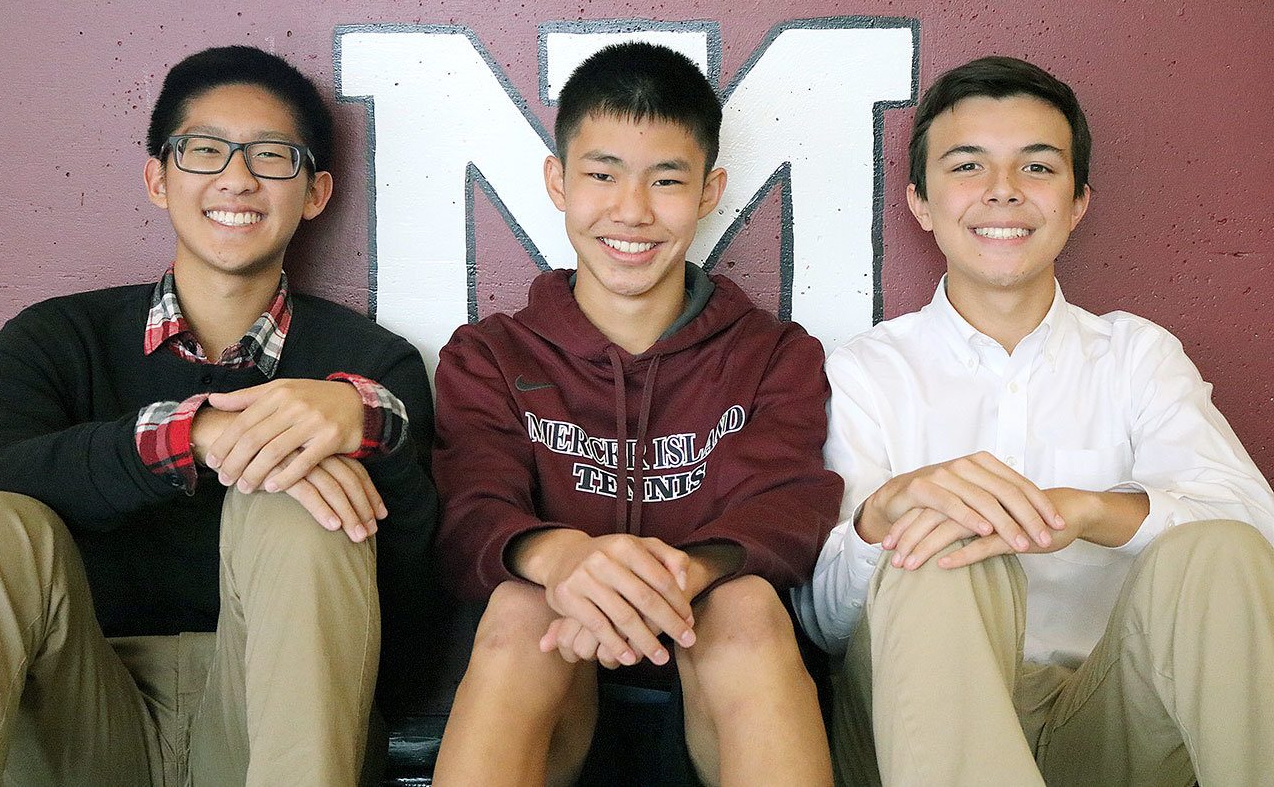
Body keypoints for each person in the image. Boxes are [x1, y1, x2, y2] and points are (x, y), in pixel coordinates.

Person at [795, 55, 1274, 786]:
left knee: (1218, 550)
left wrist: (1091, 511)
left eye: (1038, 168)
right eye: (968, 166)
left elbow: (1254, 536)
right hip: (919, 727)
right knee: (934, 540)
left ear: (1078, 200)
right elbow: (824, 622)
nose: (1003, 192)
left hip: (1109, 724)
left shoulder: (1136, 354)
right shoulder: (864, 371)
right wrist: (886, 511)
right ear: (920, 202)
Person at [0, 45, 438, 786]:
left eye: (271, 156)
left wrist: (364, 422)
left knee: (299, 501)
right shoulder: (56, 338)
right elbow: (6, 469)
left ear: (316, 192)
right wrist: (192, 434)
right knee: (2, 521)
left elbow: (422, 592)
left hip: (280, 723)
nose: (237, 177)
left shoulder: (367, 362)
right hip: (74, 717)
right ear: (157, 178)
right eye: (205, 150)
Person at [430, 41, 841, 787]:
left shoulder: (774, 353)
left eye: (667, 180)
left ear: (711, 190)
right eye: (602, 174)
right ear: (558, 181)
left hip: (718, 694)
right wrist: (566, 562)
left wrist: (669, 578)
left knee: (745, 603)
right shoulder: (489, 353)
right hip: (549, 696)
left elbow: (786, 510)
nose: (632, 210)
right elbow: (469, 510)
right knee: (523, 608)